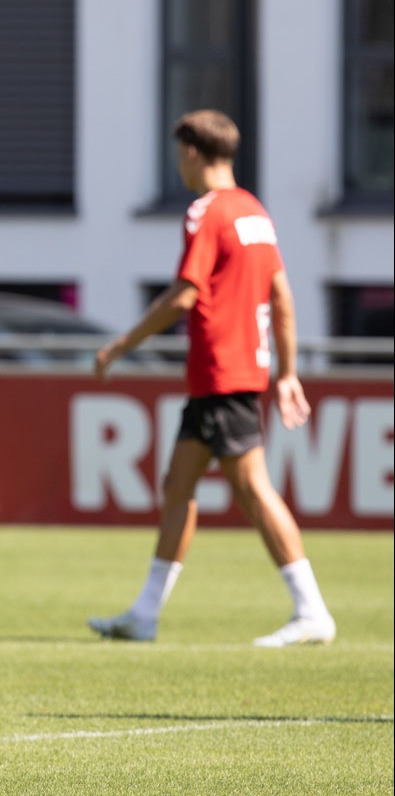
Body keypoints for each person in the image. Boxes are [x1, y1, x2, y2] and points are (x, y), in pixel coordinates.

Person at [87, 109, 336, 649]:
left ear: (192, 153)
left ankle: (312, 609)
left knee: (252, 487)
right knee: (179, 485)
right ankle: (145, 614)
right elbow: (283, 298)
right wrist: (288, 372)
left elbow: (184, 293)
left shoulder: (207, 211)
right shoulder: (255, 212)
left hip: (223, 371)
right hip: (233, 372)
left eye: (179, 155)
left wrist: (120, 345)